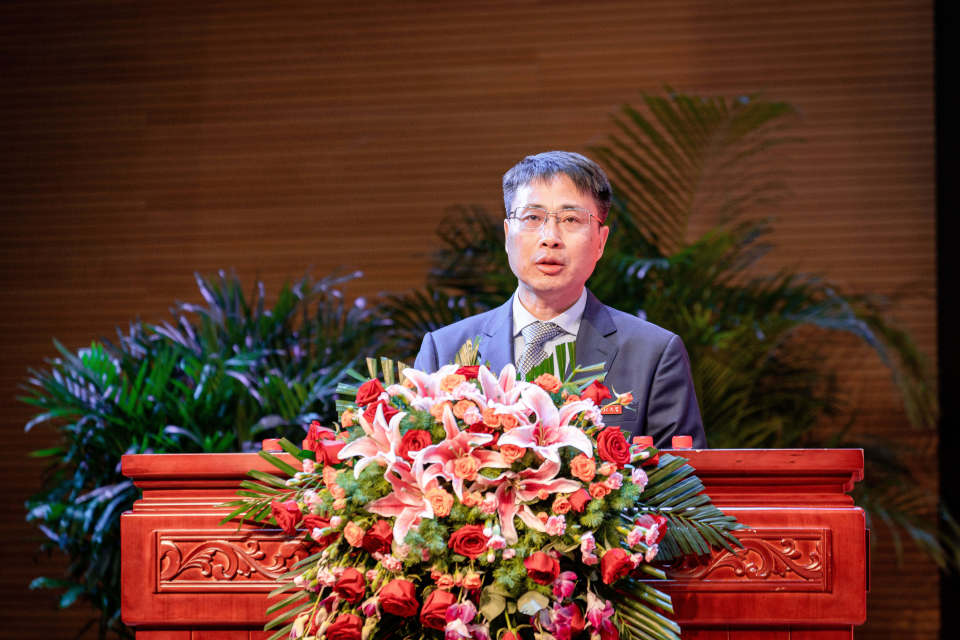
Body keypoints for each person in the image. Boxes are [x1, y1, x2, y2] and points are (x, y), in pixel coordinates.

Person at [414, 151, 706, 448]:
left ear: (601, 241)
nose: (550, 237)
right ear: (507, 235)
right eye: (532, 217)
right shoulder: (444, 351)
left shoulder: (653, 354)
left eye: (570, 219)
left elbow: (683, 474)